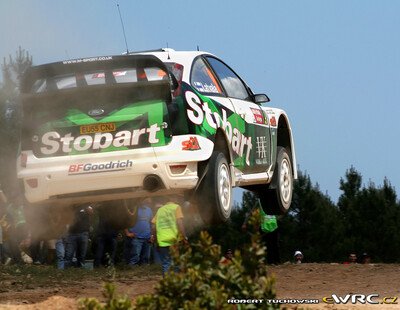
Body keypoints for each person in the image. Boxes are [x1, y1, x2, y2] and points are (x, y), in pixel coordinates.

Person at [151, 197, 188, 276]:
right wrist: (184, 236)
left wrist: (155, 238)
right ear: (174, 199)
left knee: (166, 263)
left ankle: (167, 283)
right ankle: (175, 283)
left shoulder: (160, 210)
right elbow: (179, 223)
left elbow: (153, 226)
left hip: (162, 241)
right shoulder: (176, 207)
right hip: (174, 240)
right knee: (176, 262)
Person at [124, 198, 153, 266]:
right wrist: (127, 233)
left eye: (144, 199)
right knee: (135, 257)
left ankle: (144, 271)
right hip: (136, 237)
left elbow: (152, 223)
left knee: (146, 258)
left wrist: (152, 235)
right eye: (142, 199)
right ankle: (132, 270)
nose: (144, 201)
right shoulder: (133, 209)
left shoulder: (149, 210)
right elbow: (125, 222)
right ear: (138, 200)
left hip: (147, 237)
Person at [94, 203, 119, 267]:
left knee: (100, 251)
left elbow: (96, 207)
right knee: (110, 252)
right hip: (108, 233)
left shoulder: (101, 207)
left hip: (105, 233)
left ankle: (98, 266)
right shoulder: (115, 208)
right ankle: (109, 265)